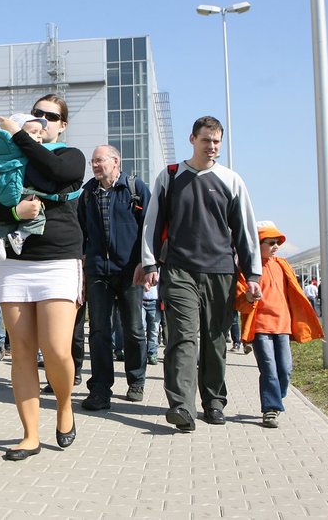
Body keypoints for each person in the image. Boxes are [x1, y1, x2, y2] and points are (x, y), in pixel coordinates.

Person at [137, 115, 262, 432]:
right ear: (192, 139)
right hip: (179, 272)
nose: (212, 147)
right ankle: (181, 405)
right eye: (206, 140)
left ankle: (214, 402)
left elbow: (245, 232)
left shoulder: (231, 180)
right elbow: (152, 223)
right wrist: (150, 263)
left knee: (214, 340)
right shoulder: (171, 176)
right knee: (182, 338)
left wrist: (254, 276)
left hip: (221, 272)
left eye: (217, 141)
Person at [0, 93, 85, 460]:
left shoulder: (69, 155)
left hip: (59, 259)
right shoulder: (8, 158)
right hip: (16, 261)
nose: (41, 119)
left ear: (62, 124)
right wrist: (15, 209)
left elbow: (57, 175)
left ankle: (65, 405)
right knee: (21, 350)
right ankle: (29, 435)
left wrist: (20, 136)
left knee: (56, 348)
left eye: (50, 116)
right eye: (35, 113)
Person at [77, 144, 151, 410]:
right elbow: (81, 232)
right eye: (93, 162)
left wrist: (147, 264)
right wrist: (84, 264)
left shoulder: (135, 189)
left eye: (100, 161)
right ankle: (100, 389)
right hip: (98, 272)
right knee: (98, 331)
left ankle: (136, 380)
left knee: (133, 329)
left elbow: (148, 229)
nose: (95, 166)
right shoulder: (87, 193)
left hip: (130, 271)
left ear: (116, 161)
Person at [235, 221, 323, 428]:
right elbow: (238, 301)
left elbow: (295, 293)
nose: (276, 246)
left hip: (283, 325)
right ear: (258, 245)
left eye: (278, 242)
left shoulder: (282, 265)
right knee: (269, 370)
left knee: (285, 369)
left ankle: (276, 397)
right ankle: (270, 409)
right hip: (260, 327)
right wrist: (248, 297)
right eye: (271, 242)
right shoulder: (246, 269)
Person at [0, 113, 52, 255]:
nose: (39, 136)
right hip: (20, 193)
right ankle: (20, 236)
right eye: (33, 132)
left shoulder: (2, 157)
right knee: (38, 216)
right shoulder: (25, 157)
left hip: (2, 197)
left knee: (6, 222)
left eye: (40, 133)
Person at [142, 284, 161, 365]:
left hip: (155, 301)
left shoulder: (160, 270)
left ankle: (152, 354)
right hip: (140, 300)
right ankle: (141, 355)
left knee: (154, 330)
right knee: (141, 329)